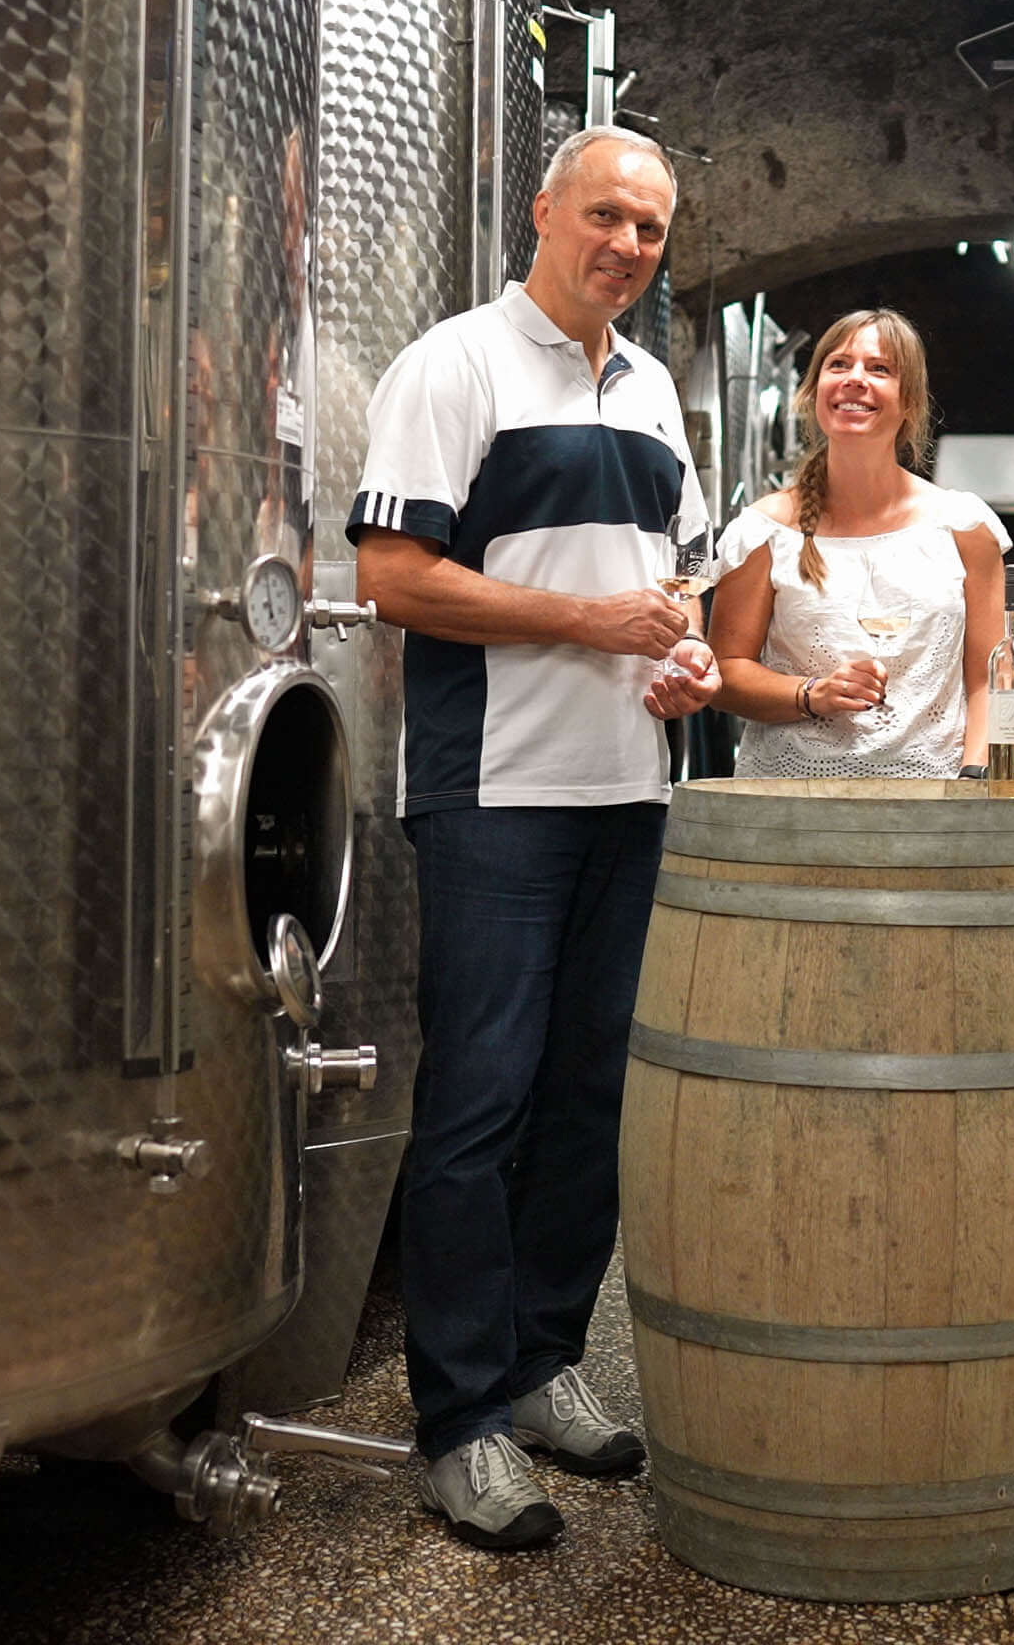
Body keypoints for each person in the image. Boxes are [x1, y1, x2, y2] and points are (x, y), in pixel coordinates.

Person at [348, 123, 719, 1551]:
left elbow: (666, 578)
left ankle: (541, 1361)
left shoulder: (649, 388)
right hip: (496, 791)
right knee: (479, 1108)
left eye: (651, 229)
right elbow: (393, 576)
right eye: (607, 216)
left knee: (587, 1105)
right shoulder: (458, 364)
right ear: (545, 212)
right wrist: (588, 621)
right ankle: (459, 1422)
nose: (627, 244)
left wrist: (676, 657)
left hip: (628, 787)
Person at [707, 309, 1007, 778]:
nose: (855, 379)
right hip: (787, 809)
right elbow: (725, 673)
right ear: (813, 391)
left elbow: (990, 678)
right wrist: (811, 694)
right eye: (839, 365)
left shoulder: (964, 526)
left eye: (880, 368)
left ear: (909, 402)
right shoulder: (763, 531)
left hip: (935, 809)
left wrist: (974, 777)